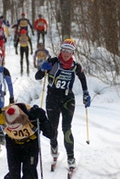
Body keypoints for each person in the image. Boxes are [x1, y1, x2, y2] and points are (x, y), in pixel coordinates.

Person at [34, 39, 91, 170]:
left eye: (69, 51)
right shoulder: (52, 62)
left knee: (66, 128)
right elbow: (38, 77)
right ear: (61, 50)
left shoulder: (75, 66)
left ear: (72, 53)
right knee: (53, 128)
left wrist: (86, 93)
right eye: (64, 50)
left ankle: (71, 157)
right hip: (52, 98)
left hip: (67, 99)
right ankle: (54, 146)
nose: (66, 53)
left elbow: (82, 78)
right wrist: (43, 69)